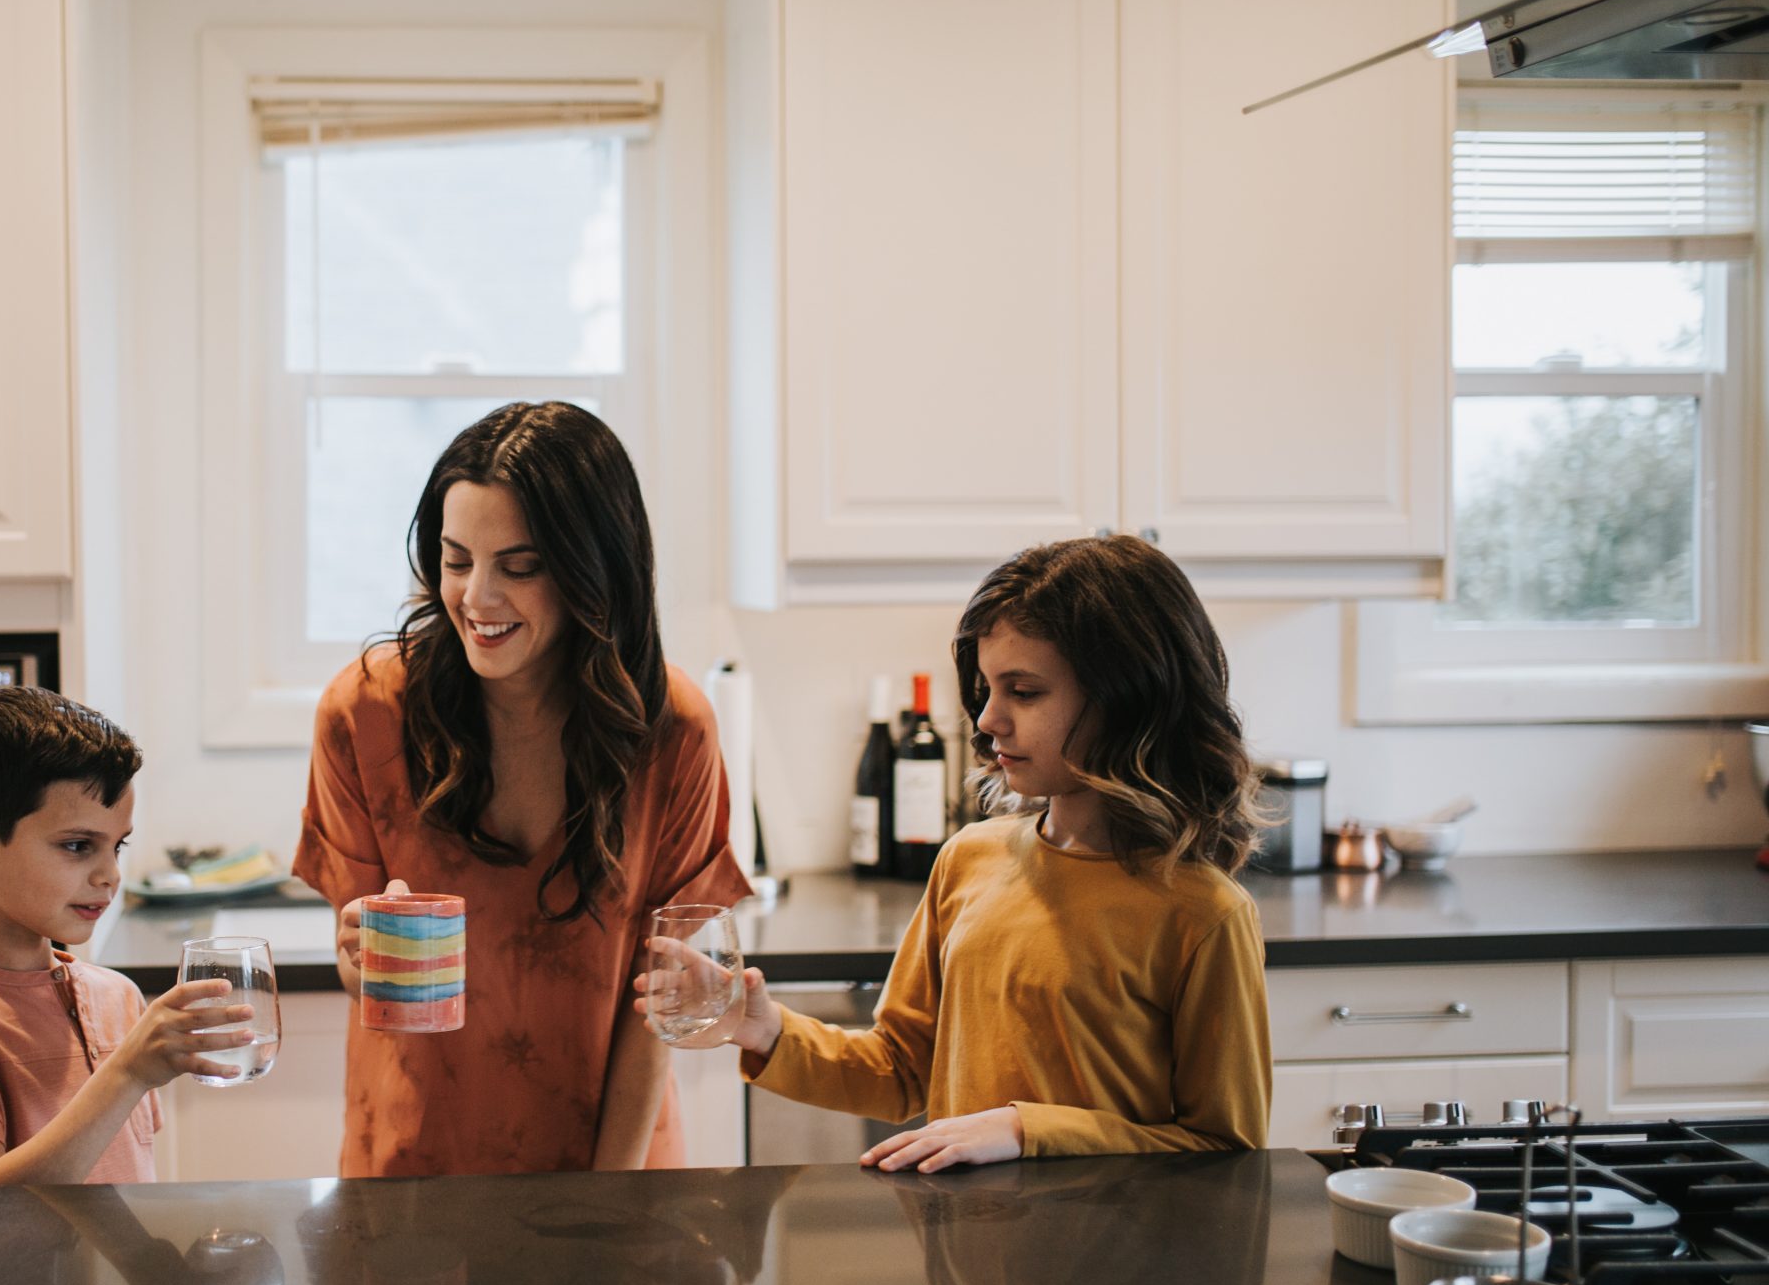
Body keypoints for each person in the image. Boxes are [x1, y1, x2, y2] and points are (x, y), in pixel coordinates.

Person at [644, 534, 1270, 1169]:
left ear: (1128, 701)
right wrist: (765, 1030)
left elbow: (1226, 1150)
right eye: (987, 689)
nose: (988, 719)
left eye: (1024, 692)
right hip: (967, 1255)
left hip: (1116, 1263)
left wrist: (1028, 1132)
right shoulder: (970, 860)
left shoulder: (1203, 914)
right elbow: (899, 1069)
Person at [295, 401, 753, 1178]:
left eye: (521, 564)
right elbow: (366, 975)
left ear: (593, 567)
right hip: (413, 1169)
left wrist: (605, 1205)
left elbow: (658, 1003)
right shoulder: (365, 714)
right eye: (455, 558)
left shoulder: (671, 729)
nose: (476, 597)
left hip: (614, 1159)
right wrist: (355, 955)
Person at [0, 686, 255, 1201]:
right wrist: (127, 1073)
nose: (110, 875)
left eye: (116, 846)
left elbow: (123, 1186)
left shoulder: (117, 997)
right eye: (78, 846)